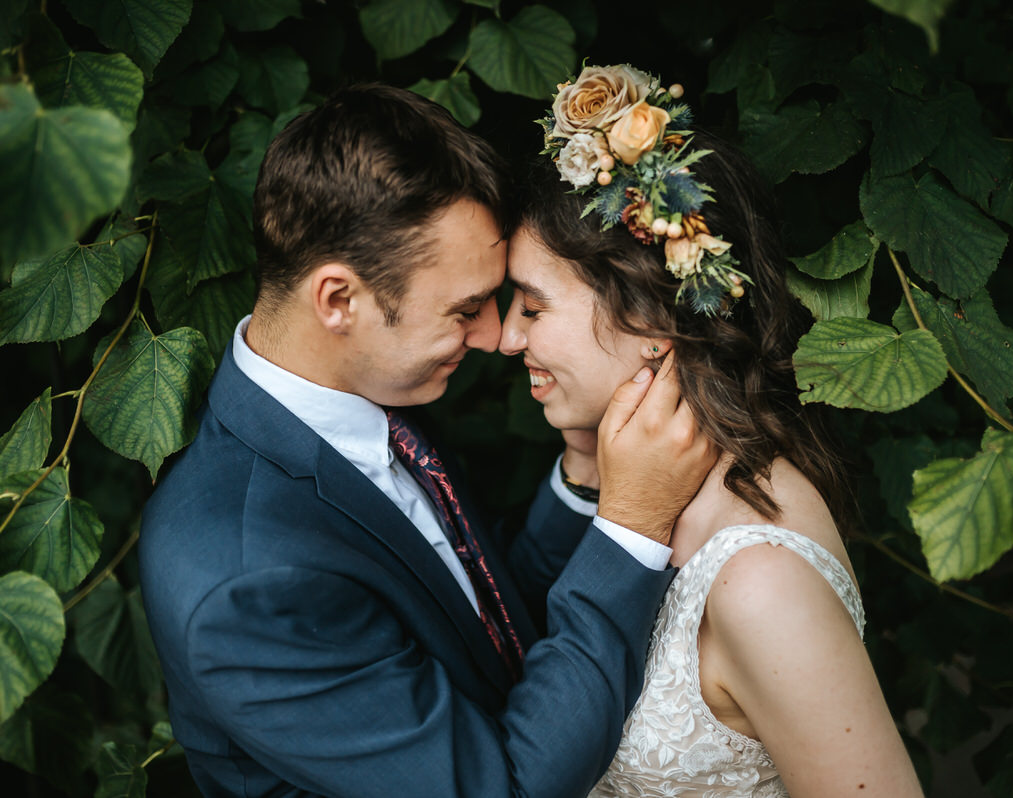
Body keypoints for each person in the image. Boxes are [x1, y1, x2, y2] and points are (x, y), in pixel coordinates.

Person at [138, 83, 717, 798]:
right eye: (465, 309)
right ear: (339, 300)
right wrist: (634, 527)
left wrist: (587, 474)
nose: (492, 337)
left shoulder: (368, 391)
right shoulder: (246, 578)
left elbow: (480, 627)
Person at [498, 64, 924, 797]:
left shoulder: (761, 580)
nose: (507, 339)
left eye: (532, 308)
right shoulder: (638, 480)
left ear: (652, 322)